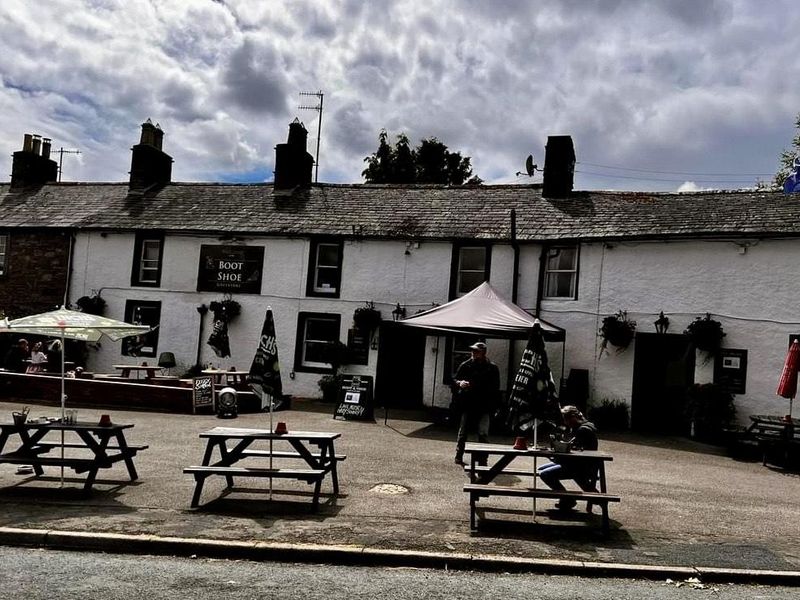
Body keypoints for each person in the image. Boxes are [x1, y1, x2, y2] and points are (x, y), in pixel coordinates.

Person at [538, 405, 600, 512]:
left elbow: (574, 454)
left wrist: (556, 455)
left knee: (545, 474)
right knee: (542, 468)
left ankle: (567, 499)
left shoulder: (582, 430)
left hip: (581, 466)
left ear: (572, 418)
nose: (565, 422)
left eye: (566, 419)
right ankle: (567, 498)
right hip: (584, 464)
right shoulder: (583, 427)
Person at [452, 341, 500, 465]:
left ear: (483, 353)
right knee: (463, 432)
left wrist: (494, 407)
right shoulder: (466, 365)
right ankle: (459, 455)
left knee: (483, 433)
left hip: (484, 405)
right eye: (472, 350)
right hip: (468, 403)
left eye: (476, 351)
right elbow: (454, 380)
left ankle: (483, 459)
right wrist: (459, 383)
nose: (473, 353)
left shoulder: (492, 367)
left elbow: (496, 389)